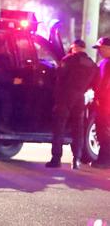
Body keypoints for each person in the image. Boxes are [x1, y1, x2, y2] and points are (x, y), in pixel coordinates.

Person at [46, 39, 98, 169]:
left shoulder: (68, 59)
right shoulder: (91, 64)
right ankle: (76, 160)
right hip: (80, 98)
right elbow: (95, 83)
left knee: (59, 127)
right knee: (78, 129)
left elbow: (58, 75)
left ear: (74, 47)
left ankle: (56, 159)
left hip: (65, 97)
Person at [92, 37, 110, 169]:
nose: (99, 51)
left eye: (100, 48)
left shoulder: (107, 63)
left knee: (103, 131)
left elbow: (103, 84)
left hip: (105, 103)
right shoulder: (105, 62)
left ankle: (104, 160)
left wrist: (98, 98)